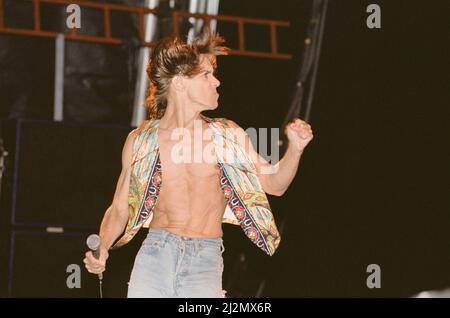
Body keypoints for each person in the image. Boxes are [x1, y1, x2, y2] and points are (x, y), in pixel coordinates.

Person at [83, 32, 314, 298]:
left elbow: (275, 185)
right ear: (180, 83)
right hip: (156, 254)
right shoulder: (141, 140)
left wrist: (295, 149)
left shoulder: (227, 135)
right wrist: (103, 247)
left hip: (204, 260)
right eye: (206, 74)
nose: (216, 82)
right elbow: (120, 208)